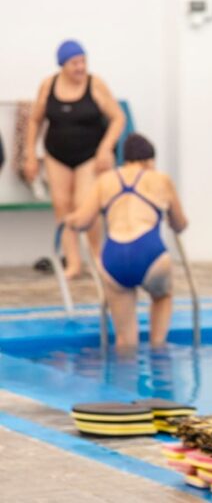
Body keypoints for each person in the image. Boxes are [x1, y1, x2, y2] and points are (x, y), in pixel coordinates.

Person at [66, 133, 188, 350]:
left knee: (125, 343)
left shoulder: (106, 180)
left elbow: (83, 222)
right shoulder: (160, 178)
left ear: (125, 160)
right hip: (149, 252)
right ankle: (158, 349)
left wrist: (70, 219)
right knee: (162, 296)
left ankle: (123, 375)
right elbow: (180, 224)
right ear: (149, 160)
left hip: (114, 256)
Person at [24, 40, 126, 278]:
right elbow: (35, 120)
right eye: (74, 63)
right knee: (62, 206)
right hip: (56, 155)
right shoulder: (48, 86)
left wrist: (105, 148)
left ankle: (97, 259)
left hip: (89, 155)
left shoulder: (96, 84)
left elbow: (118, 118)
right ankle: (73, 263)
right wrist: (30, 155)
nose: (80, 68)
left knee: (85, 205)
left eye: (83, 62)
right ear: (62, 65)